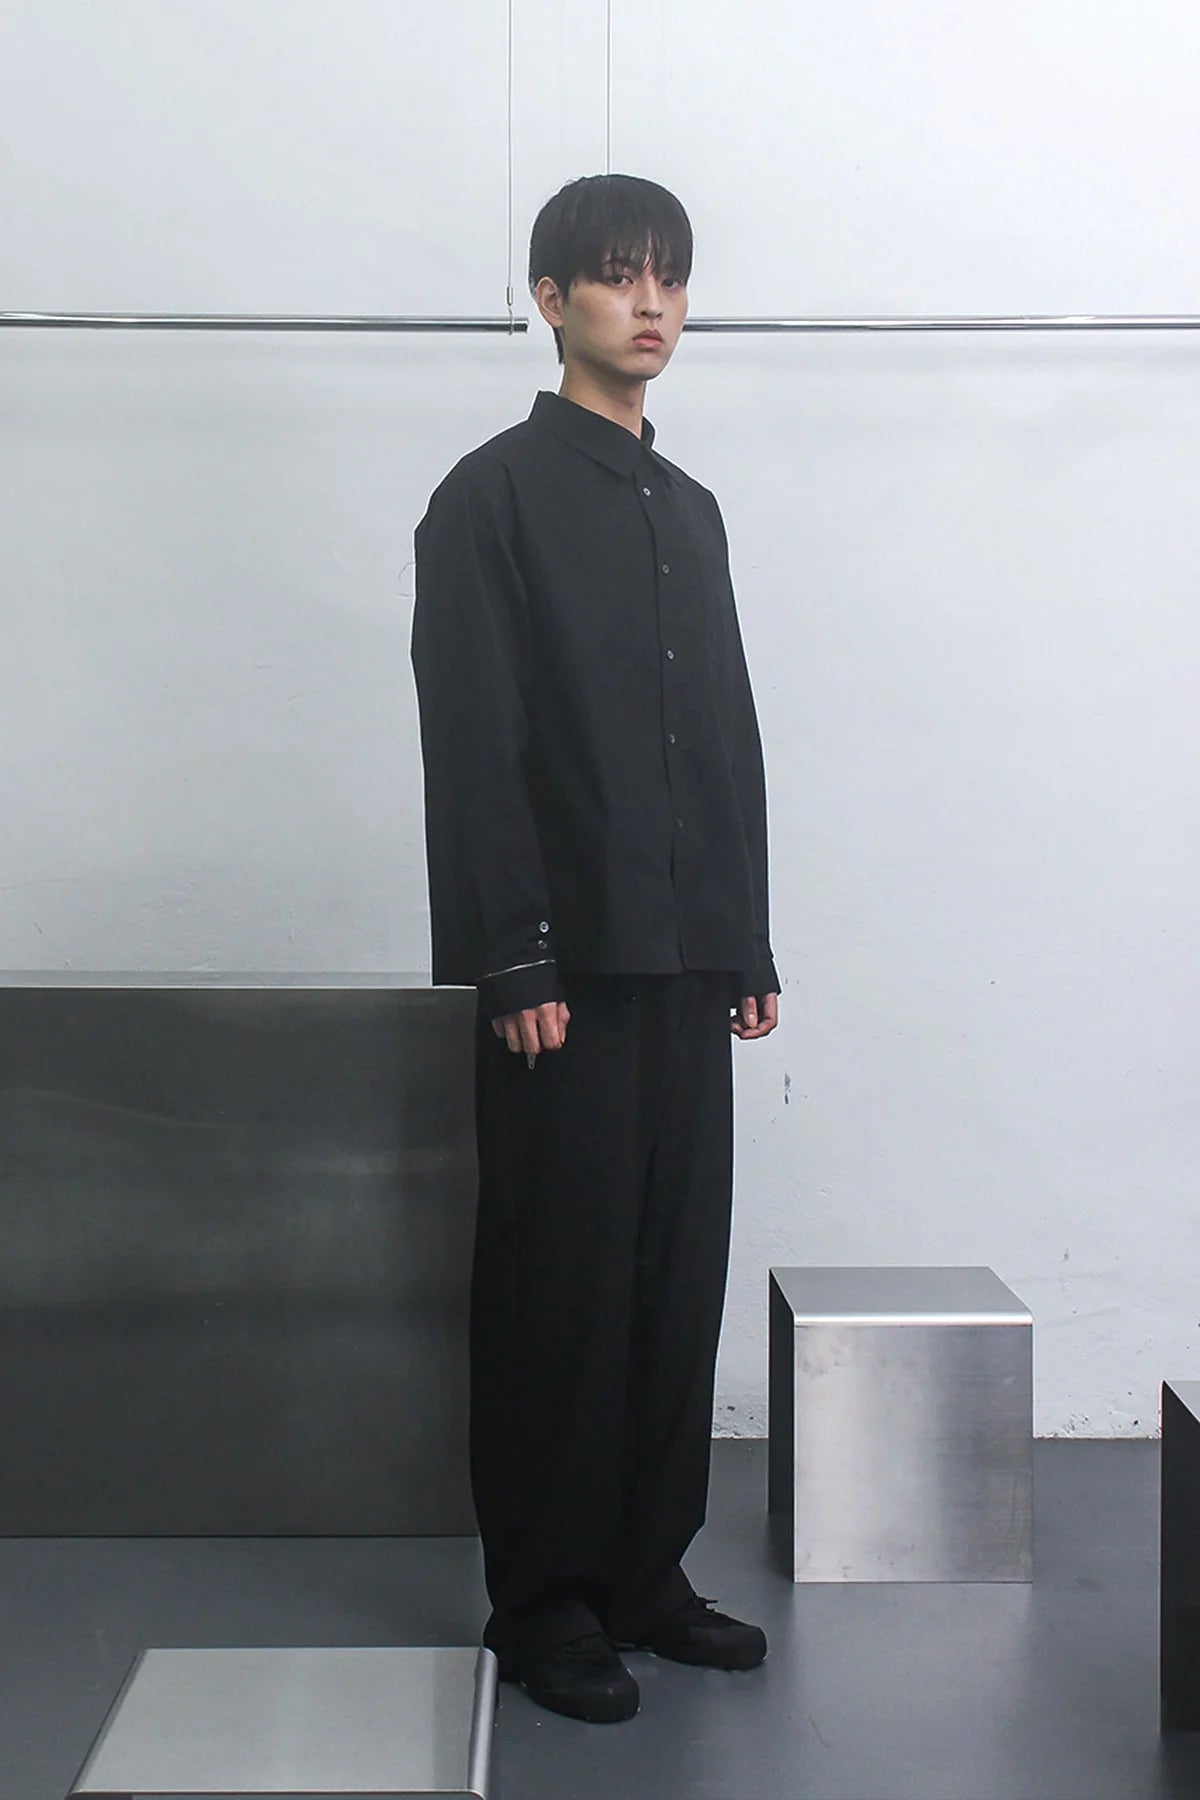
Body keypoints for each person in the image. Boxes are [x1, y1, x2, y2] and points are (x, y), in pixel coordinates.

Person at [410, 173, 779, 1725]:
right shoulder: (488, 500)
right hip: (562, 974)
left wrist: (745, 937)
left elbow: (725, 739)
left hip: (686, 966)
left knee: (671, 1283)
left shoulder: (688, 510)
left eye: (670, 280)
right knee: (557, 1292)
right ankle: (546, 1600)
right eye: (620, 277)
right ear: (551, 298)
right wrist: (513, 957)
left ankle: (644, 1574)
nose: (652, 305)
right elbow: (475, 744)